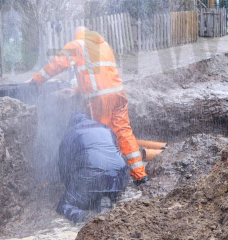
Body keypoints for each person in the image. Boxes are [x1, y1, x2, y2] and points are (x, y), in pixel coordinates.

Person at [31, 26, 148, 184]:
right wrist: (76, 89)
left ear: (76, 35)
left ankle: (106, 180)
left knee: (100, 138)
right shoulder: (104, 45)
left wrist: (36, 81)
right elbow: (99, 75)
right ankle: (140, 175)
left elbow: (56, 64)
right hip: (118, 95)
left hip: (99, 99)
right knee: (123, 133)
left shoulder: (77, 45)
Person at [56, 113, 129, 223]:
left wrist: (70, 186)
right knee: (99, 189)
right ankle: (104, 198)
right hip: (120, 176)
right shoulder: (105, 127)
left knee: (64, 205)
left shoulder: (71, 132)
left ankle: (81, 216)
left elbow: (64, 165)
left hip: (91, 176)